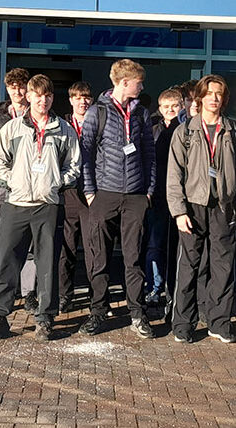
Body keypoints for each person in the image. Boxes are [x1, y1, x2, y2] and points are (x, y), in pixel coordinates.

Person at [0, 75, 81, 341]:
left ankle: (45, 318)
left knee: (47, 263)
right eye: (38, 95)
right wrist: (12, 182)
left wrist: (56, 182)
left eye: (47, 96)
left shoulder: (64, 130)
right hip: (16, 203)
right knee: (5, 260)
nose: (43, 100)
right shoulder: (13, 129)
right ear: (29, 96)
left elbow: (74, 165)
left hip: (47, 206)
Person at [167, 75, 236, 343]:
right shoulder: (185, 131)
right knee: (189, 266)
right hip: (193, 207)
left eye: (219, 94)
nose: (214, 98)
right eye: (209, 93)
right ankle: (183, 324)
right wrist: (179, 211)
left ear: (224, 98)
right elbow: (174, 175)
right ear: (200, 97)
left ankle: (219, 323)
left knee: (223, 267)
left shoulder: (234, 131)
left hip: (224, 207)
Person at [79, 59, 156, 338]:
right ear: (124, 82)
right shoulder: (97, 112)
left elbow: (149, 154)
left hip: (135, 196)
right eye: (139, 81)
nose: (142, 86)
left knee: (133, 258)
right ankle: (98, 312)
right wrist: (89, 191)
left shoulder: (141, 114)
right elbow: (85, 154)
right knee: (99, 257)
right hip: (104, 195)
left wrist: (149, 190)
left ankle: (137, 312)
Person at [0, 68, 39, 310]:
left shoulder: (39, 117)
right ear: (7, 89)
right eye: (12, 86)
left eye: (22, 86)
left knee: (31, 244)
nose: (17, 90)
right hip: (1, 191)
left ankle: (29, 292)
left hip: (30, 192)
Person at [144, 88, 182, 308]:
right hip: (157, 194)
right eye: (166, 107)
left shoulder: (186, 130)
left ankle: (174, 288)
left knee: (176, 246)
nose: (170, 110)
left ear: (181, 107)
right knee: (155, 244)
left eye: (174, 106)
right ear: (159, 109)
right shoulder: (152, 130)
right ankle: (154, 287)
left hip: (178, 195)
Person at [58, 80, 94, 313]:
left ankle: (96, 296)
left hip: (93, 194)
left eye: (86, 97)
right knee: (66, 248)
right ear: (71, 100)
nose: (83, 101)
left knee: (95, 249)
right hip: (68, 193)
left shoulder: (98, 123)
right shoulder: (61, 125)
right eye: (78, 97)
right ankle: (64, 295)